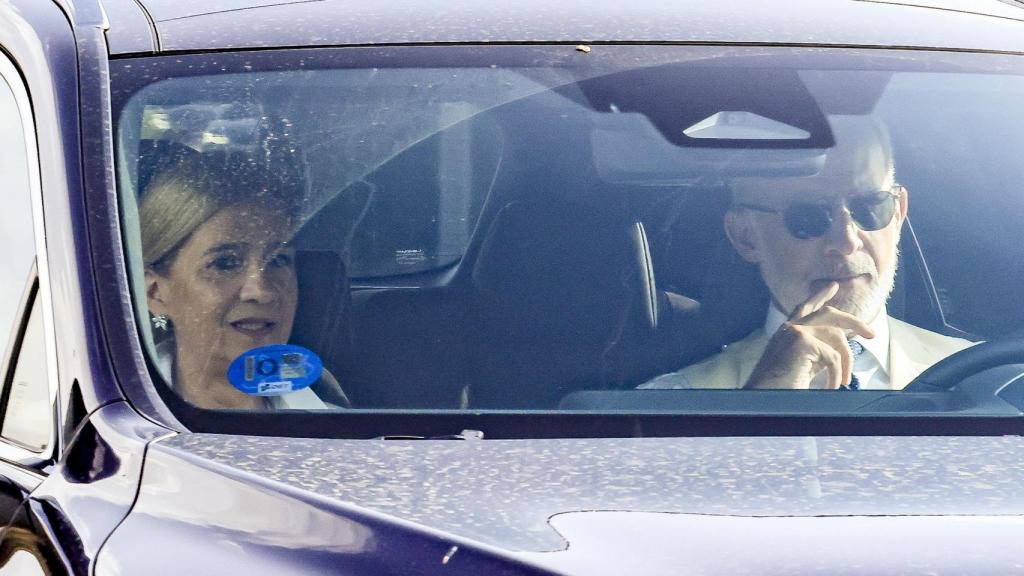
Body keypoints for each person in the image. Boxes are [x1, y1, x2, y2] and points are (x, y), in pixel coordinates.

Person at [642, 115, 972, 390]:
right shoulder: (676, 399)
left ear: (898, 215)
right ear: (746, 237)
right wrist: (768, 395)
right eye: (809, 218)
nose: (846, 241)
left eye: (869, 207)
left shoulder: (987, 378)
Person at [141, 155, 345, 409]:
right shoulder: (121, 428)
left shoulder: (343, 430)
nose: (261, 291)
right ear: (155, 292)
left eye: (278, 260)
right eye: (225, 263)